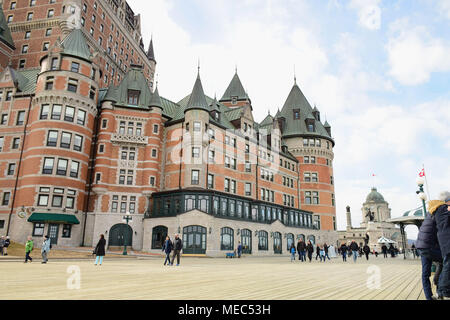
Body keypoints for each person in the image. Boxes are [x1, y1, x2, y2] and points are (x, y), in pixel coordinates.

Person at [416, 200, 444, 300]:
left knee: (425, 274)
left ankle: (429, 297)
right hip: (429, 247)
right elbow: (440, 233)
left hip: (421, 247)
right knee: (445, 262)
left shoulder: (428, 216)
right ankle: (439, 289)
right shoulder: (438, 215)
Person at [434, 193, 450, 299]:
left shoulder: (440, 210)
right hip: (447, 242)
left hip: (445, 242)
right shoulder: (442, 209)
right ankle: (442, 290)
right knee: (448, 266)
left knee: (446, 265)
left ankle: (441, 290)